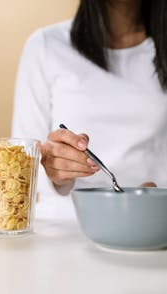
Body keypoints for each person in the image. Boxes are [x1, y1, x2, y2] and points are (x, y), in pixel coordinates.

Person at [11, 0, 167, 220]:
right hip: (64, 229)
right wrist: (56, 172)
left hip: (153, 224)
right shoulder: (46, 45)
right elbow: (22, 162)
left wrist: (159, 197)